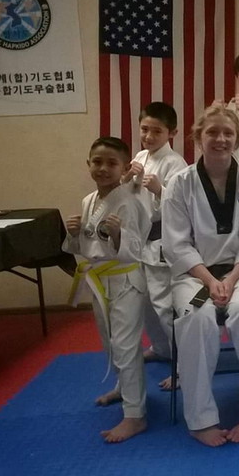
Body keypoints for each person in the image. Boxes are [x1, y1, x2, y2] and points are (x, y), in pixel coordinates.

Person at [162, 106, 239, 447]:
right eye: (212, 132)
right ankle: (200, 420)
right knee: (195, 317)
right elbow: (176, 243)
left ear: (237, 140)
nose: (220, 139)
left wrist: (232, 278)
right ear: (198, 137)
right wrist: (210, 282)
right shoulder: (179, 184)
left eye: (228, 133)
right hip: (195, 277)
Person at [64, 136, 151, 443]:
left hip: (126, 280)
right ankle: (123, 388)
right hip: (99, 280)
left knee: (126, 345)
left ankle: (135, 415)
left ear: (125, 168)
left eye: (111, 163)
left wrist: (118, 235)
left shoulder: (131, 201)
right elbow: (86, 246)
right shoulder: (89, 200)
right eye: (97, 162)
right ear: (88, 164)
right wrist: (74, 235)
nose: (103, 168)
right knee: (109, 342)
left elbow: (137, 248)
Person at [121, 102, 188, 390]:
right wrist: (127, 179)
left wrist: (160, 189)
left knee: (165, 307)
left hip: (162, 241)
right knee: (146, 303)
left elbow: (183, 208)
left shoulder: (176, 164)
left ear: (172, 133)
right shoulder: (139, 157)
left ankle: (185, 366)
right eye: (144, 129)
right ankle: (161, 348)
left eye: (156, 131)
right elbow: (128, 199)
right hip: (139, 240)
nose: (148, 136)